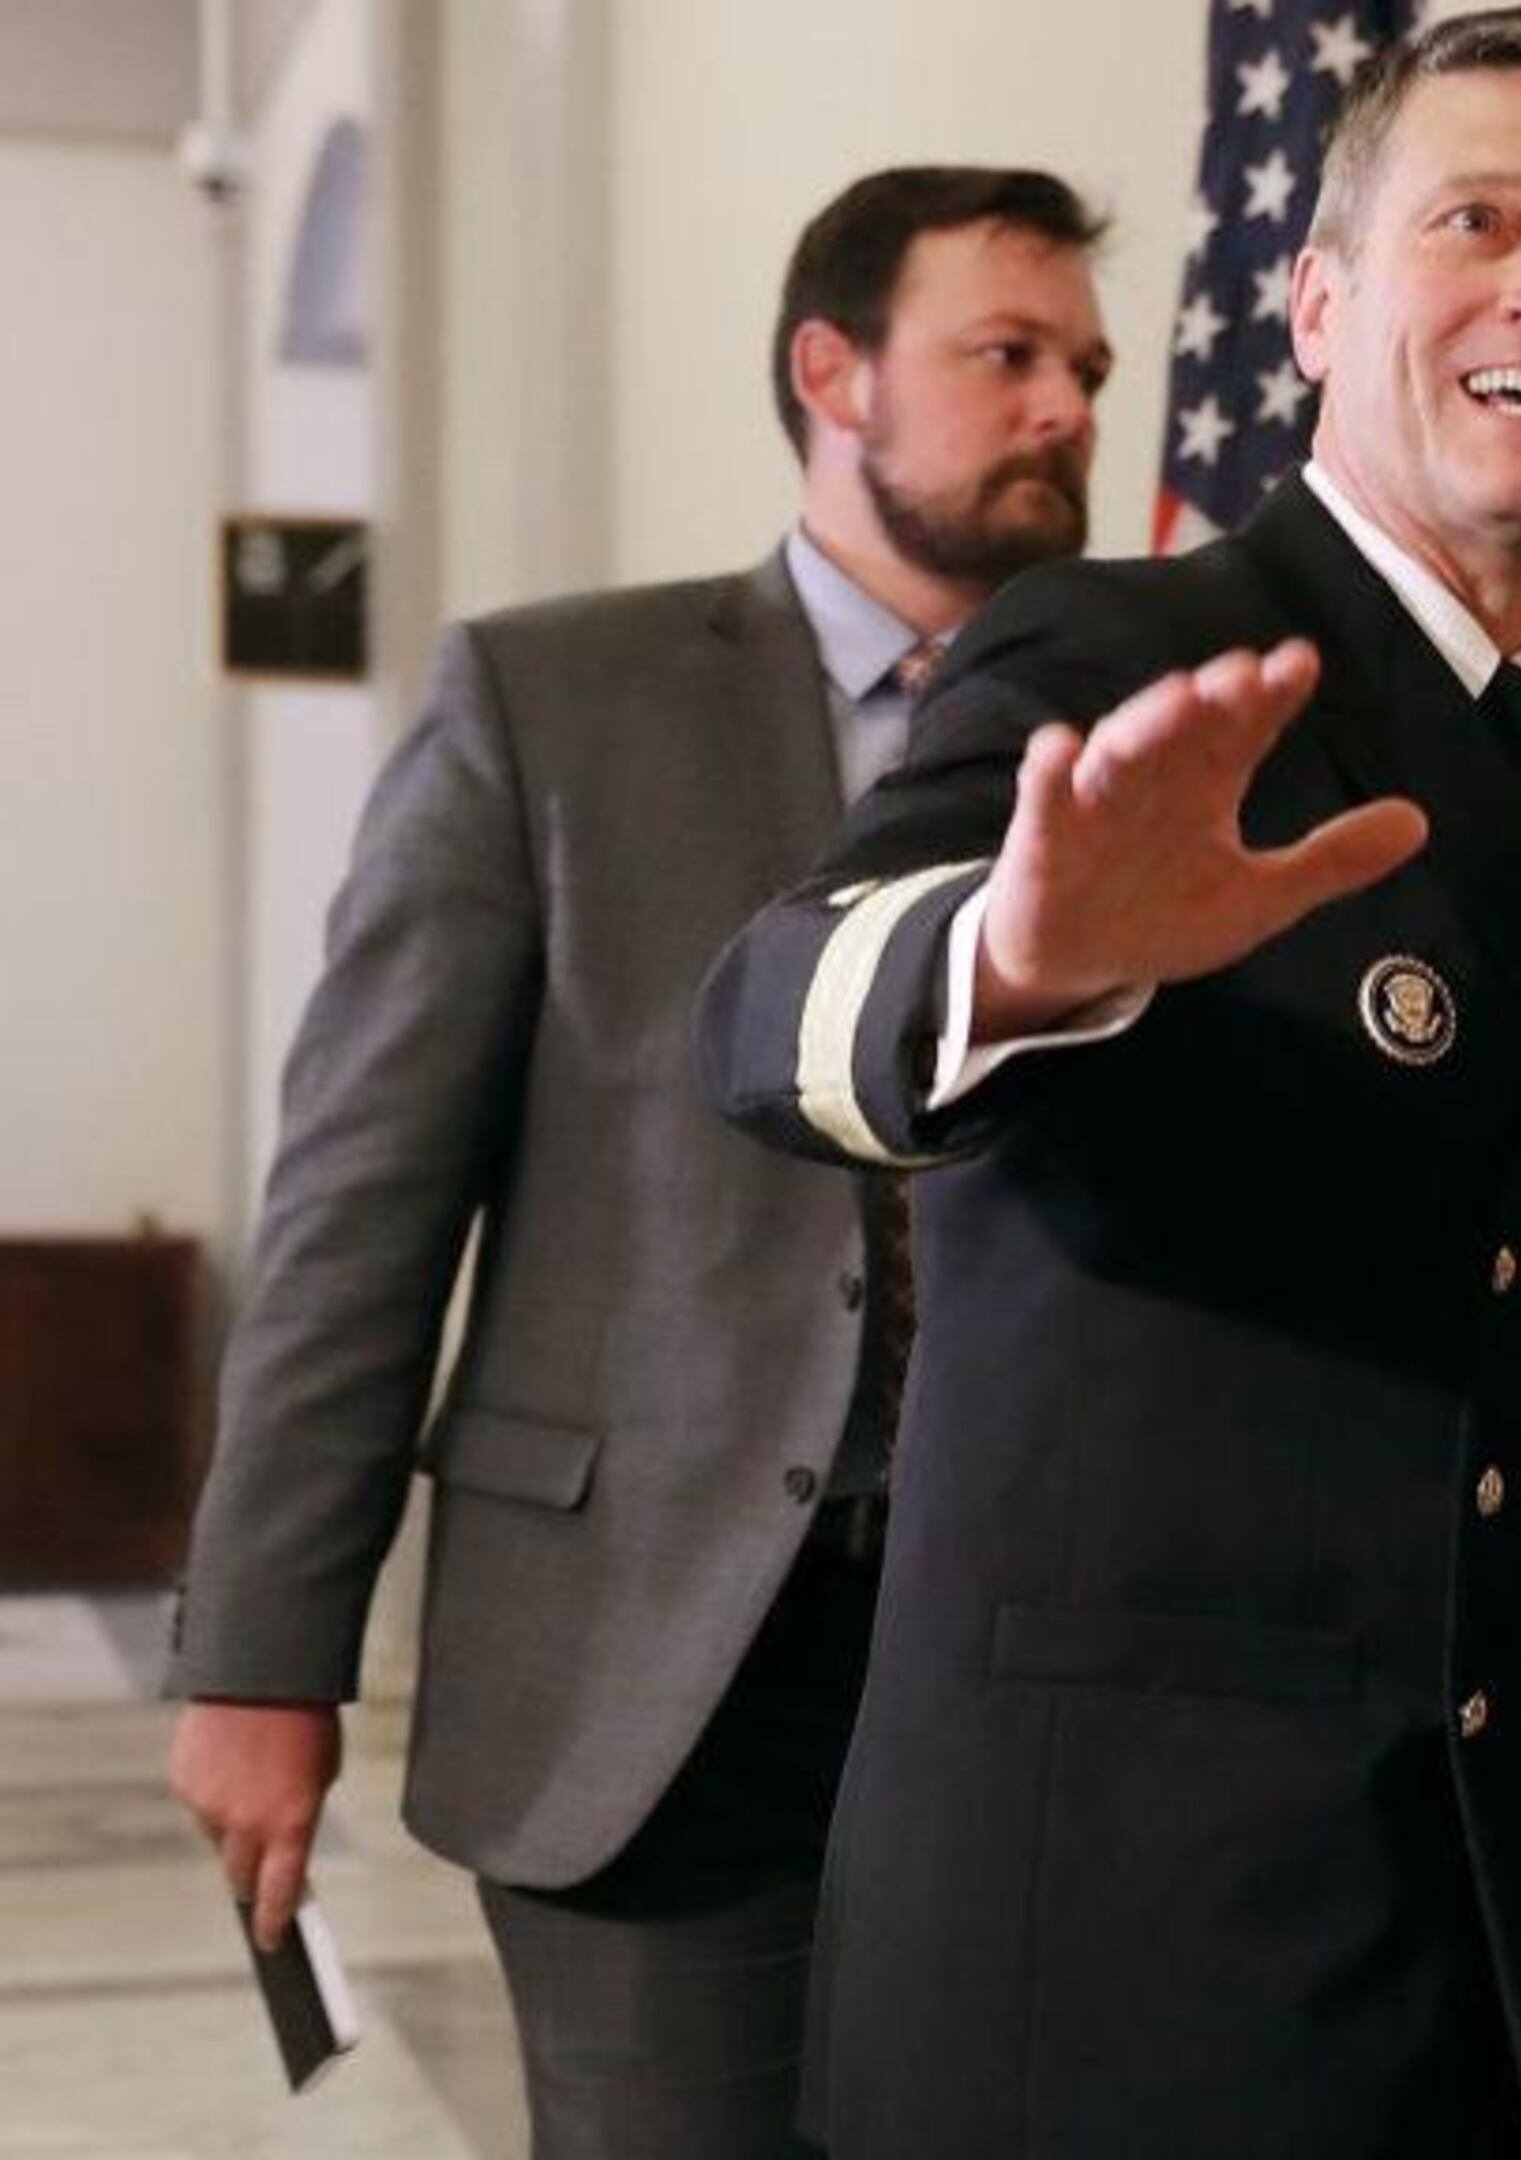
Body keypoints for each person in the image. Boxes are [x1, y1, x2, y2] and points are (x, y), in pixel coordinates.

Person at [694, 13, 1521, 2159]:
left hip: (1478, 1971)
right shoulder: (1118, 657)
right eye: (1482, 221)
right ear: (1322, 301)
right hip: (1106, 1975)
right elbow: (766, 1019)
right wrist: (1023, 952)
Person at [166, 166, 1112, 2157]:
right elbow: (361, 1203)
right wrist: (264, 1656)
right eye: (1006, 355)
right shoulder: (554, 705)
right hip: (661, 1673)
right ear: (830, 372)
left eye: (1088, 369)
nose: (1068, 409)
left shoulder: (1136, 742)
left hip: (1040, 1668)